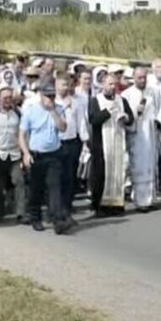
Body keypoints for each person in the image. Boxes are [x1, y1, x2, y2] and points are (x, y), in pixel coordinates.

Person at [19, 82, 73, 233]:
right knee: (36, 188)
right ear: (41, 96)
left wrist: (53, 111)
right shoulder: (30, 111)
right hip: (36, 154)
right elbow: (22, 135)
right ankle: (35, 217)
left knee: (54, 186)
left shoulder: (58, 109)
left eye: (52, 96)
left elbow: (63, 127)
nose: (50, 99)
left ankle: (57, 220)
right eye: (48, 96)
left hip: (54, 154)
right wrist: (26, 153)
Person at [88, 68, 134, 217]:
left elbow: (131, 118)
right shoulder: (96, 100)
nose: (112, 87)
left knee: (118, 173)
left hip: (118, 141)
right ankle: (99, 205)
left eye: (114, 84)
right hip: (102, 144)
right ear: (102, 85)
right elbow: (93, 120)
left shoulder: (122, 100)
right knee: (101, 175)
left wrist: (125, 117)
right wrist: (107, 112)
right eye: (109, 84)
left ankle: (115, 205)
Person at [122, 66, 161, 212]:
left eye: (144, 77)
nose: (142, 80)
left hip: (151, 134)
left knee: (151, 165)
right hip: (137, 135)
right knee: (138, 167)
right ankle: (140, 201)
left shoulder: (153, 92)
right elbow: (126, 117)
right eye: (139, 78)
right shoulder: (126, 95)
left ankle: (151, 198)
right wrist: (136, 114)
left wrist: (159, 121)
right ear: (134, 78)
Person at [0, 87, 25, 223]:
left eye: (10, 97)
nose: (8, 100)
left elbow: (23, 132)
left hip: (14, 153)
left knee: (19, 181)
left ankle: (21, 212)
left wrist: (24, 150)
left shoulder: (18, 113)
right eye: (5, 98)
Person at [53, 75, 87, 215]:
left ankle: (67, 206)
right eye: (62, 84)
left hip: (72, 142)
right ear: (56, 85)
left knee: (70, 176)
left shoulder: (76, 103)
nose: (65, 87)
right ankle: (55, 208)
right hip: (56, 143)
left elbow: (81, 123)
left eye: (67, 84)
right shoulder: (51, 103)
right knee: (56, 177)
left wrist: (85, 141)